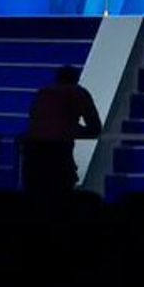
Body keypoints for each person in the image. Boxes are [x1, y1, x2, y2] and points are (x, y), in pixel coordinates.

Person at [25, 65, 101, 196]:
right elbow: (95, 127)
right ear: (76, 78)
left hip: (34, 149)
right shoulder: (79, 93)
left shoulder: (43, 92)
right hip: (59, 149)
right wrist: (70, 130)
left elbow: (33, 117)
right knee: (61, 190)